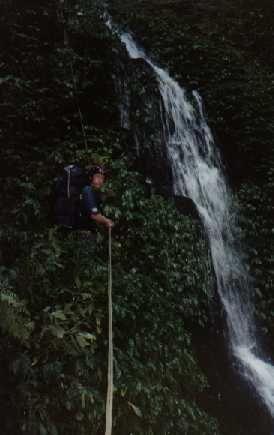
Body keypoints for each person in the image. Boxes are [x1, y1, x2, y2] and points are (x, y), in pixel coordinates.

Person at [79, 165, 114, 231]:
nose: (100, 180)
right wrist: (107, 221)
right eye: (97, 177)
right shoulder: (87, 190)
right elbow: (94, 215)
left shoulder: (96, 193)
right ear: (91, 177)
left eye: (102, 178)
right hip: (82, 231)